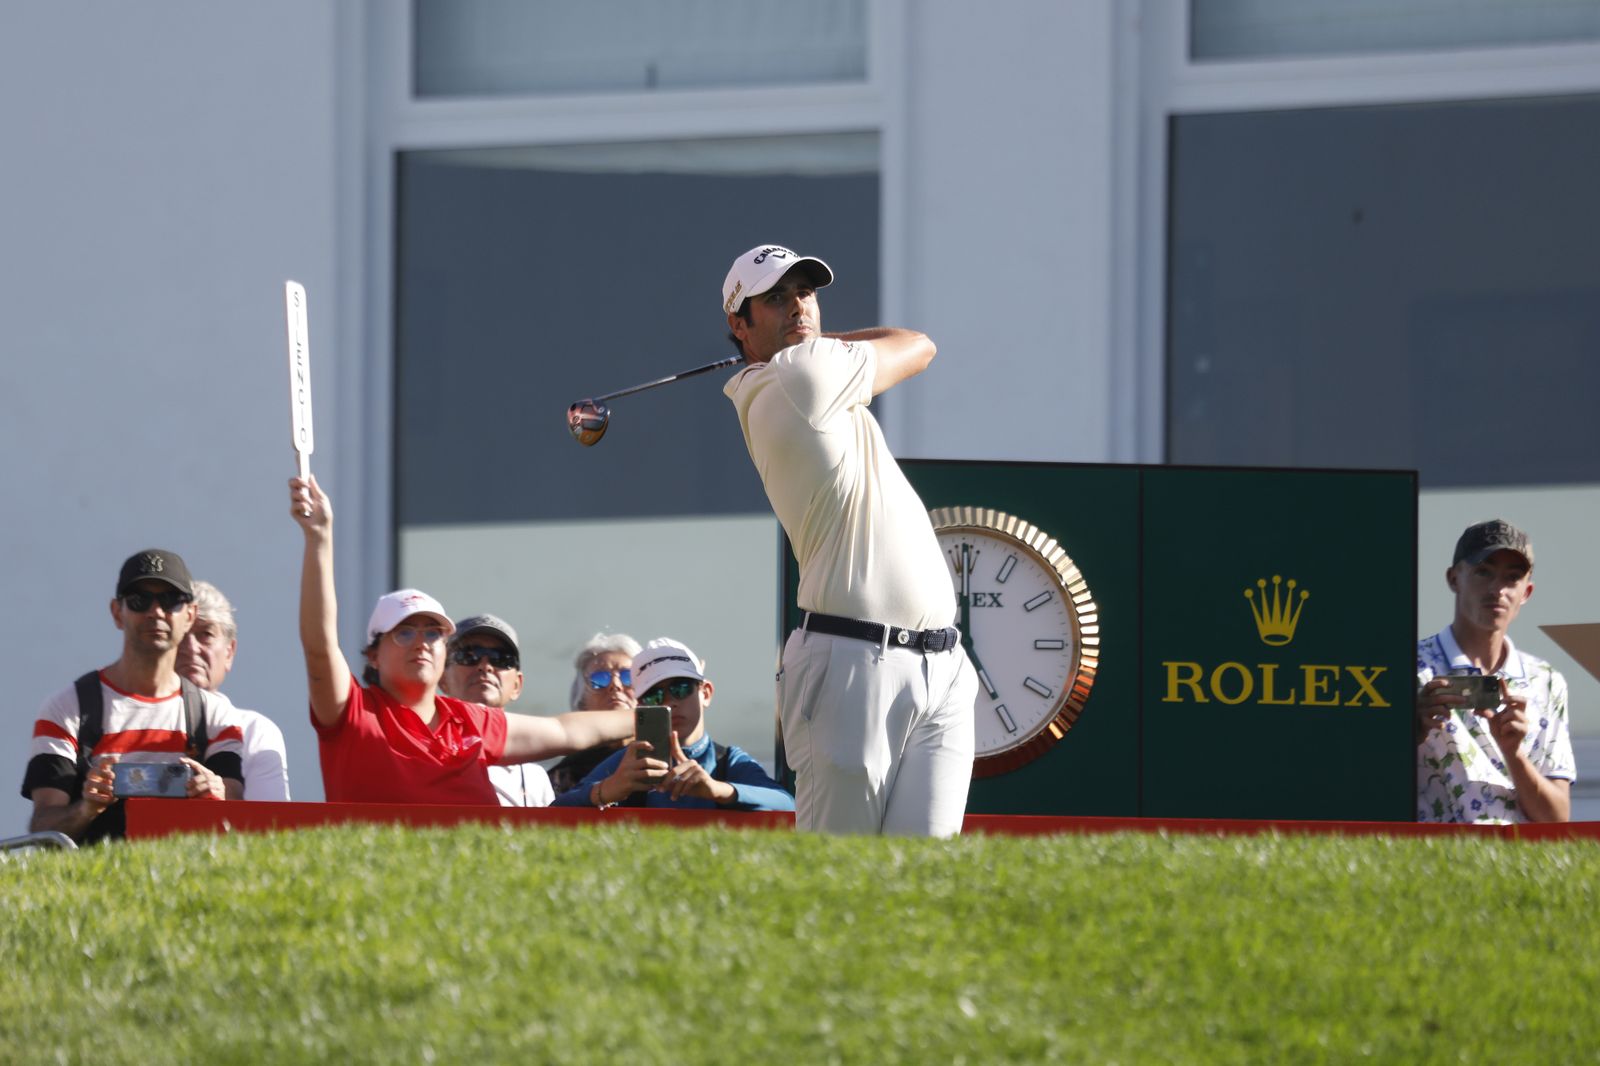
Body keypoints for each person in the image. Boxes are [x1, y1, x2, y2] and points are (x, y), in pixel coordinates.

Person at [720, 244, 977, 836]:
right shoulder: (802, 375)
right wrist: (824, 342)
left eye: (804, 294)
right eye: (775, 299)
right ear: (739, 323)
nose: (798, 307)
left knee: (921, 889)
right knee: (839, 884)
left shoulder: (809, 370)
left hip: (941, 664)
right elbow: (918, 343)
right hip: (852, 663)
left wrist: (817, 340)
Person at [289, 475, 633, 804]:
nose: (421, 642)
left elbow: (565, 731)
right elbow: (319, 647)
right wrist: (319, 538)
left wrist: (651, 718)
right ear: (373, 655)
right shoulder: (353, 711)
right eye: (404, 632)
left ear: (444, 655)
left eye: (434, 633)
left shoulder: (470, 719)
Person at [20, 549, 245, 843]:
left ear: (190, 615)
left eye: (170, 600)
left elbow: (239, 816)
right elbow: (43, 829)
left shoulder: (215, 715)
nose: (156, 612)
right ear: (117, 612)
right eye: (140, 600)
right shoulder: (66, 708)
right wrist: (87, 808)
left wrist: (215, 792)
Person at [1416, 519, 1575, 823]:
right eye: (1483, 572)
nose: (1497, 589)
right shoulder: (1408, 668)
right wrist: (1411, 729)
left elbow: (1557, 820)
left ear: (1526, 592)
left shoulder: (1547, 681)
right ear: (1454, 579)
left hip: (1513, 866)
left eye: (1511, 578)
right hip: (1428, 861)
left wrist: (1514, 754)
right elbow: (1357, 778)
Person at [552, 637, 794, 812]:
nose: (670, 703)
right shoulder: (632, 762)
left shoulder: (726, 761)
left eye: (680, 688)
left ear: (706, 693)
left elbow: (787, 804)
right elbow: (554, 812)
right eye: (655, 696)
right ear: (642, 707)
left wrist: (717, 790)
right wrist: (607, 789)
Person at [177, 580, 292, 801]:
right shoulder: (137, 717)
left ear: (229, 652)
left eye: (206, 634)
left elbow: (269, 827)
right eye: (182, 634)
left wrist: (222, 796)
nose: (191, 648)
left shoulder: (256, 731)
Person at [440, 613, 553, 807]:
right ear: (442, 679)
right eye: (470, 656)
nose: (485, 667)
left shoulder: (535, 779)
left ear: (517, 685)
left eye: (501, 658)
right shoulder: (422, 754)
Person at [546, 632, 641, 796]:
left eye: (628, 676)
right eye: (600, 679)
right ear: (582, 702)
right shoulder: (563, 776)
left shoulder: (668, 759)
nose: (615, 685)